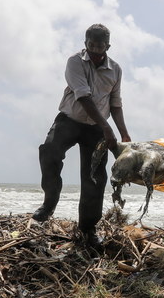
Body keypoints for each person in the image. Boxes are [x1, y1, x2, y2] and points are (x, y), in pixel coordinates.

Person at [33, 23, 131, 249]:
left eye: (100, 46)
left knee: (94, 178)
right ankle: (49, 204)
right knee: (49, 152)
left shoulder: (115, 69)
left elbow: (115, 104)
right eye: (91, 45)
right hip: (70, 120)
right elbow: (83, 97)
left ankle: (88, 229)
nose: (96, 50)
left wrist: (123, 132)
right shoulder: (75, 62)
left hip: (96, 129)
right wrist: (107, 127)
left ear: (108, 45)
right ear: (85, 43)